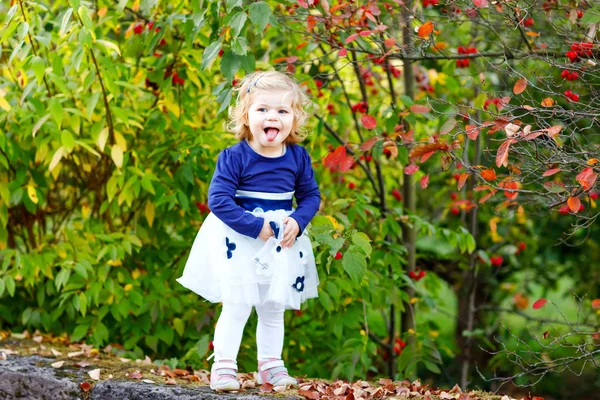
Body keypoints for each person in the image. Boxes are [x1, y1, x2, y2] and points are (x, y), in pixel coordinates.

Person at [177, 71, 321, 391]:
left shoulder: (298, 157)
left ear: (295, 118)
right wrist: (257, 227)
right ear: (246, 115)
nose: (273, 116)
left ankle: (270, 366)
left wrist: (298, 221)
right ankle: (224, 367)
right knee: (238, 304)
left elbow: (310, 196)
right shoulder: (234, 157)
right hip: (240, 240)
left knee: (273, 308)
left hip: (282, 242)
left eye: (282, 111)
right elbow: (219, 201)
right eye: (263, 110)